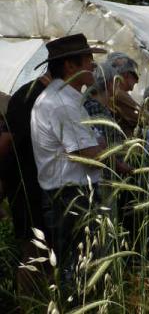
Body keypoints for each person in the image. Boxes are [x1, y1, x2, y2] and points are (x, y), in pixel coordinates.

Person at [30, 34, 107, 285]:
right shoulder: (62, 103)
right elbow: (86, 155)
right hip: (72, 198)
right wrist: (110, 148)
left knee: (78, 267)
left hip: (69, 195)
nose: (93, 66)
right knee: (79, 271)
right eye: (88, 60)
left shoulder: (64, 98)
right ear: (69, 66)